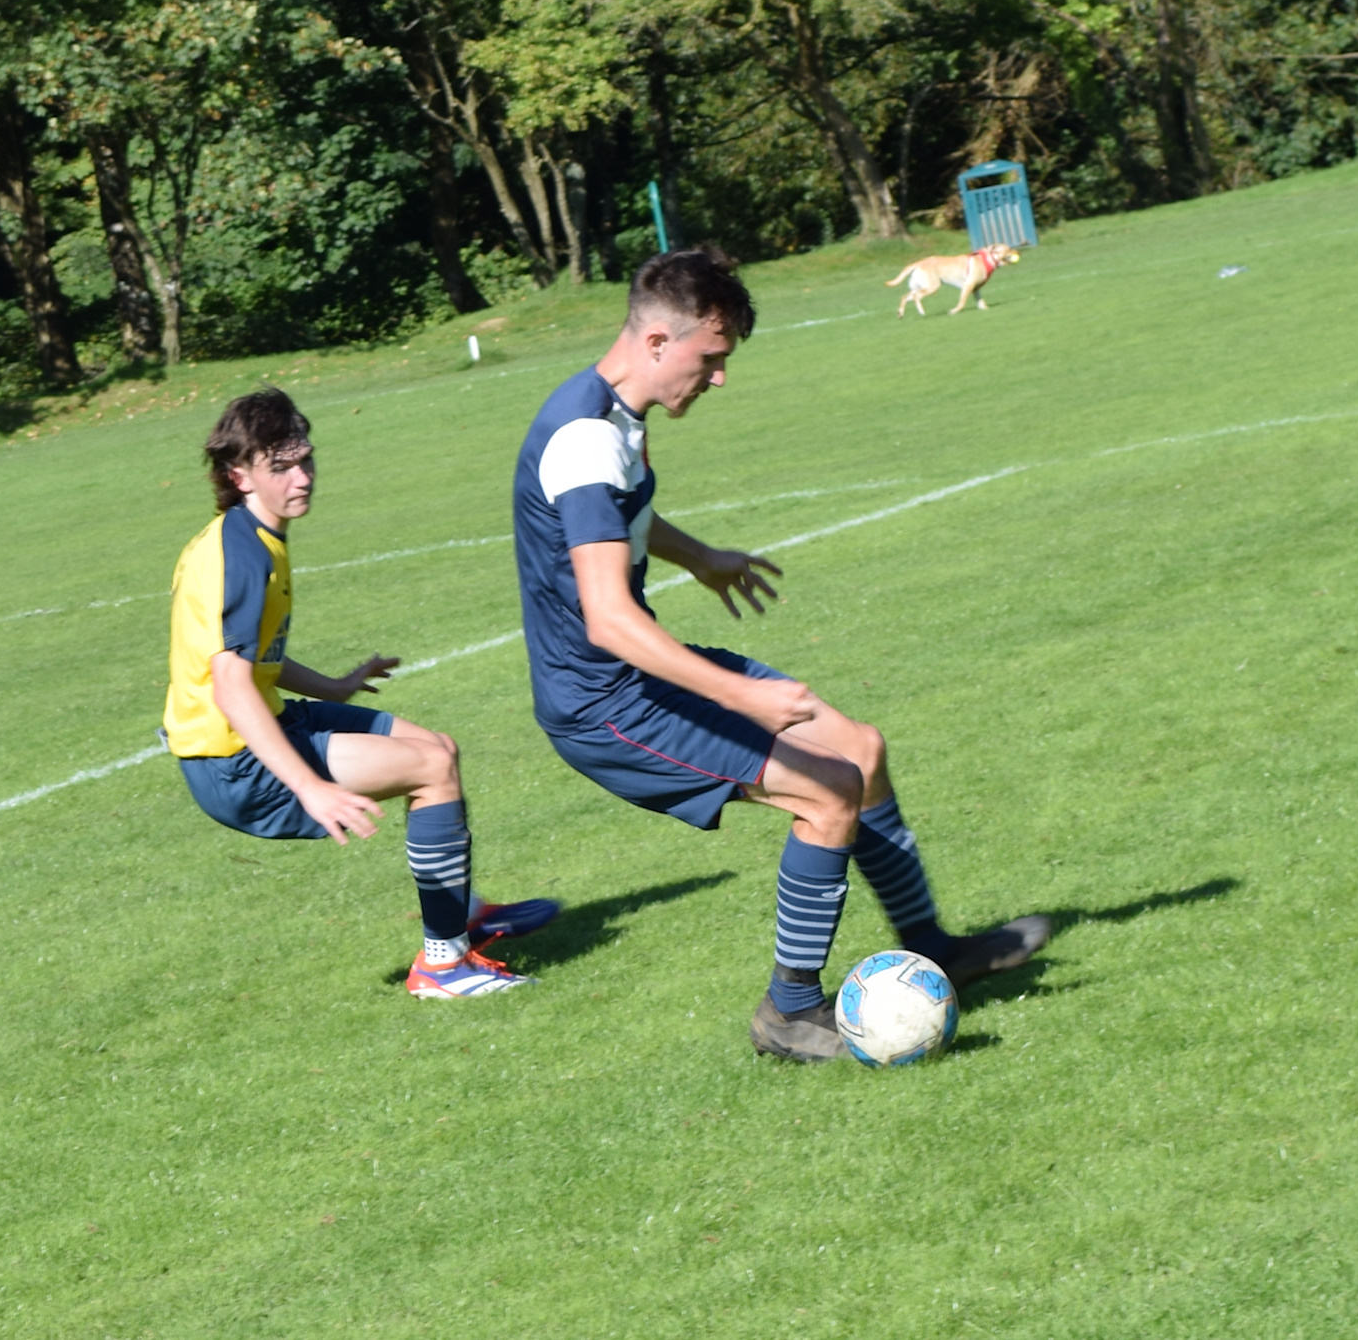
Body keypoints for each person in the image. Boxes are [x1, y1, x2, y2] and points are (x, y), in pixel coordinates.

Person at [509, 249, 1051, 1062]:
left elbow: (619, 522)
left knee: (859, 751)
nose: (719, 378)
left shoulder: (612, 415)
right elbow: (610, 621)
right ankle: (789, 1012)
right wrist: (743, 695)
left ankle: (932, 947)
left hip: (634, 679)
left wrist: (700, 557)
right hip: (604, 705)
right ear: (657, 341)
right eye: (711, 358)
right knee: (828, 793)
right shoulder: (584, 439)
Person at [164, 388, 557, 998]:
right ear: (239, 475)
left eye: (305, 460)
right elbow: (231, 686)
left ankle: (463, 915)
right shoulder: (238, 555)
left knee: (437, 748)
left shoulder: (251, 535)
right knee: (430, 770)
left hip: (262, 724)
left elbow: (255, 660)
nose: (303, 478)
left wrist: (336, 687)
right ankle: (443, 967)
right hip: (234, 762)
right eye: (281, 467)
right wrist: (309, 786)